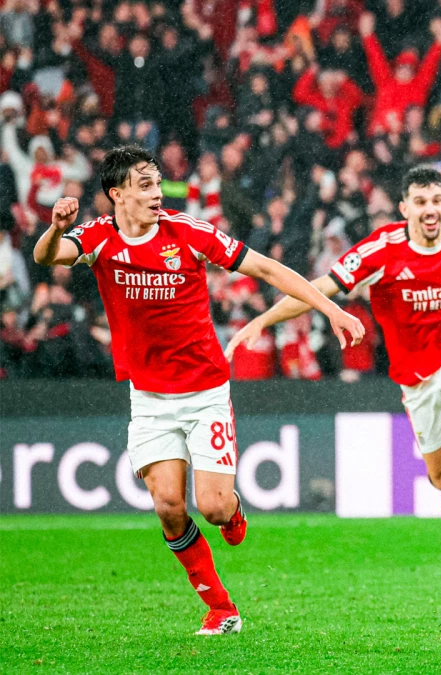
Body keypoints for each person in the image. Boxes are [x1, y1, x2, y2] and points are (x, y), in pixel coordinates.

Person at [32, 145, 365, 635]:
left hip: (204, 390)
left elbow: (267, 269)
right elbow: (46, 255)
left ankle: (231, 513)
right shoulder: (98, 236)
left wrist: (331, 309)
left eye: (157, 183)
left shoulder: (186, 232)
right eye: (144, 185)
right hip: (148, 396)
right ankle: (220, 608)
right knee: (168, 504)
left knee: (212, 506)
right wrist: (57, 225)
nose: (155, 193)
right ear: (116, 193)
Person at [225, 167, 441, 591]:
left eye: (437, 201)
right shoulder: (380, 251)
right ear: (404, 210)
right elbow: (320, 288)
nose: (430, 210)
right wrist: (264, 320)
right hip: (415, 377)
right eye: (420, 202)